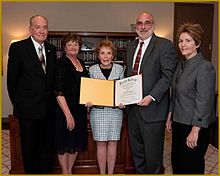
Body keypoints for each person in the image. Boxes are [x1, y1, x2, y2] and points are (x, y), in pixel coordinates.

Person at [125, 11, 178, 174]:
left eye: (147, 23)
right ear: (136, 27)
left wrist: (151, 96)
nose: (143, 26)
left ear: (153, 25)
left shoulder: (164, 45)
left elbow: (168, 75)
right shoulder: (131, 46)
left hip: (153, 111)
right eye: (139, 23)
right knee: (138, 154)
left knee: (153, 158)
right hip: (133, 109)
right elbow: (128, 75)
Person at [7, 15, 56, 174]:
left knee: (47, 149)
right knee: (30, 150)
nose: (42, 31)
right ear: (30, 29)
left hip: (48, 110)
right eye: (38, 27)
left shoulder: (51, 49)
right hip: (28, 111)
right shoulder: (18, 48)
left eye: (45, 27)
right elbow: (12, 82)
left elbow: (51, 80)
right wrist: (20, 105)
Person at [166, 23, 216, 174]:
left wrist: (195, 130)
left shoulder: (204, 67)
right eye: (181, 41)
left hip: (194, 126)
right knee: (178, 164)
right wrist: (170, 116)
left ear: (197, 43)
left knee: (191, 166)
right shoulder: (181, 66)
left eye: (188, 40)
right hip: (179, 124)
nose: (183, 44)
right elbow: (174, 94)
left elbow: (204, 101)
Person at [85, 40, 124, 174]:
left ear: (113, 55)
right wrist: (88, 101)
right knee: (101, 144)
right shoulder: (92, 70)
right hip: (98, 112)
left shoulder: (120, 69)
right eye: (102, 53)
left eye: (109, 53)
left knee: (113, 143)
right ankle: (102, 173)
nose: (106, 56)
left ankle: (111, 173)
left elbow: (122, 90)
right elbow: (88, 91)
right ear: (98, 55)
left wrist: (122, 100)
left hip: (115, 112)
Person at [54, 33, 88, 174]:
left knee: (75, 143)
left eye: (76, 44)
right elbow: (58, 91)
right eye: (70, 44)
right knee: (64, 143)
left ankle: (69, 171)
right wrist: (68, 115)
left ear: (79, 46)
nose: (73, 47)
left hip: (79, 110)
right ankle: (65, 172)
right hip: (64, 111)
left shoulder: (82, 62)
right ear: (64, 48)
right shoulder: (61, 63)